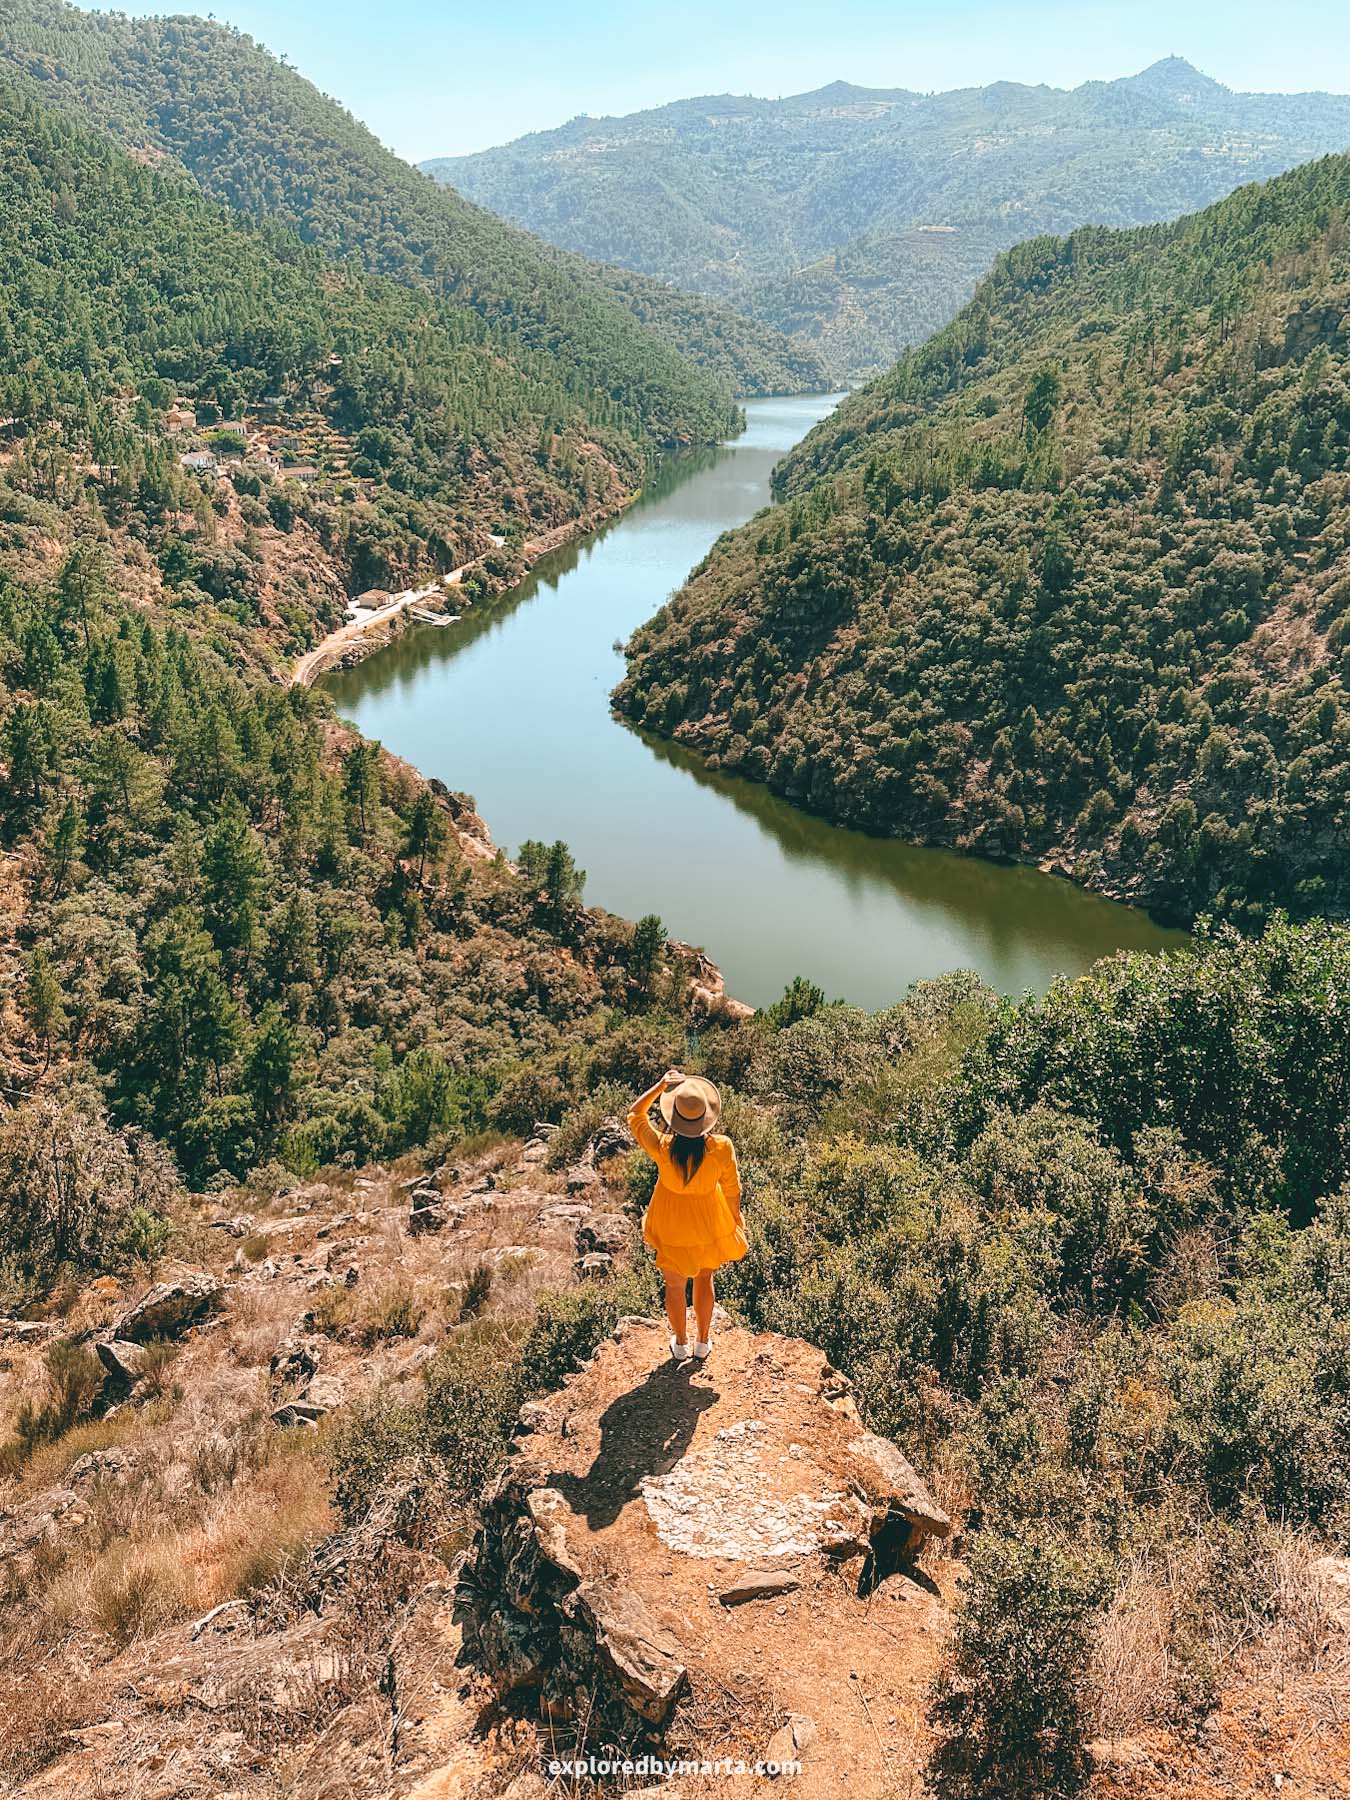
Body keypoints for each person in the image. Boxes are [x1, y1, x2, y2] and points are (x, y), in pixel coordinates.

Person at [627, 1067, 747, 1362]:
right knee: (705, 1279)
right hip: (708, 1218)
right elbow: (732, 1189)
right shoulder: (721, 1147)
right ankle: (702, 1343)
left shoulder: (662, 1147)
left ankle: (680, 1344)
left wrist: (660, 1086)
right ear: (706, 1117)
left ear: (674, 1118)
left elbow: (635, 1114)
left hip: (670, 1221)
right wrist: (734, 1219)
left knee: (674, 1284)